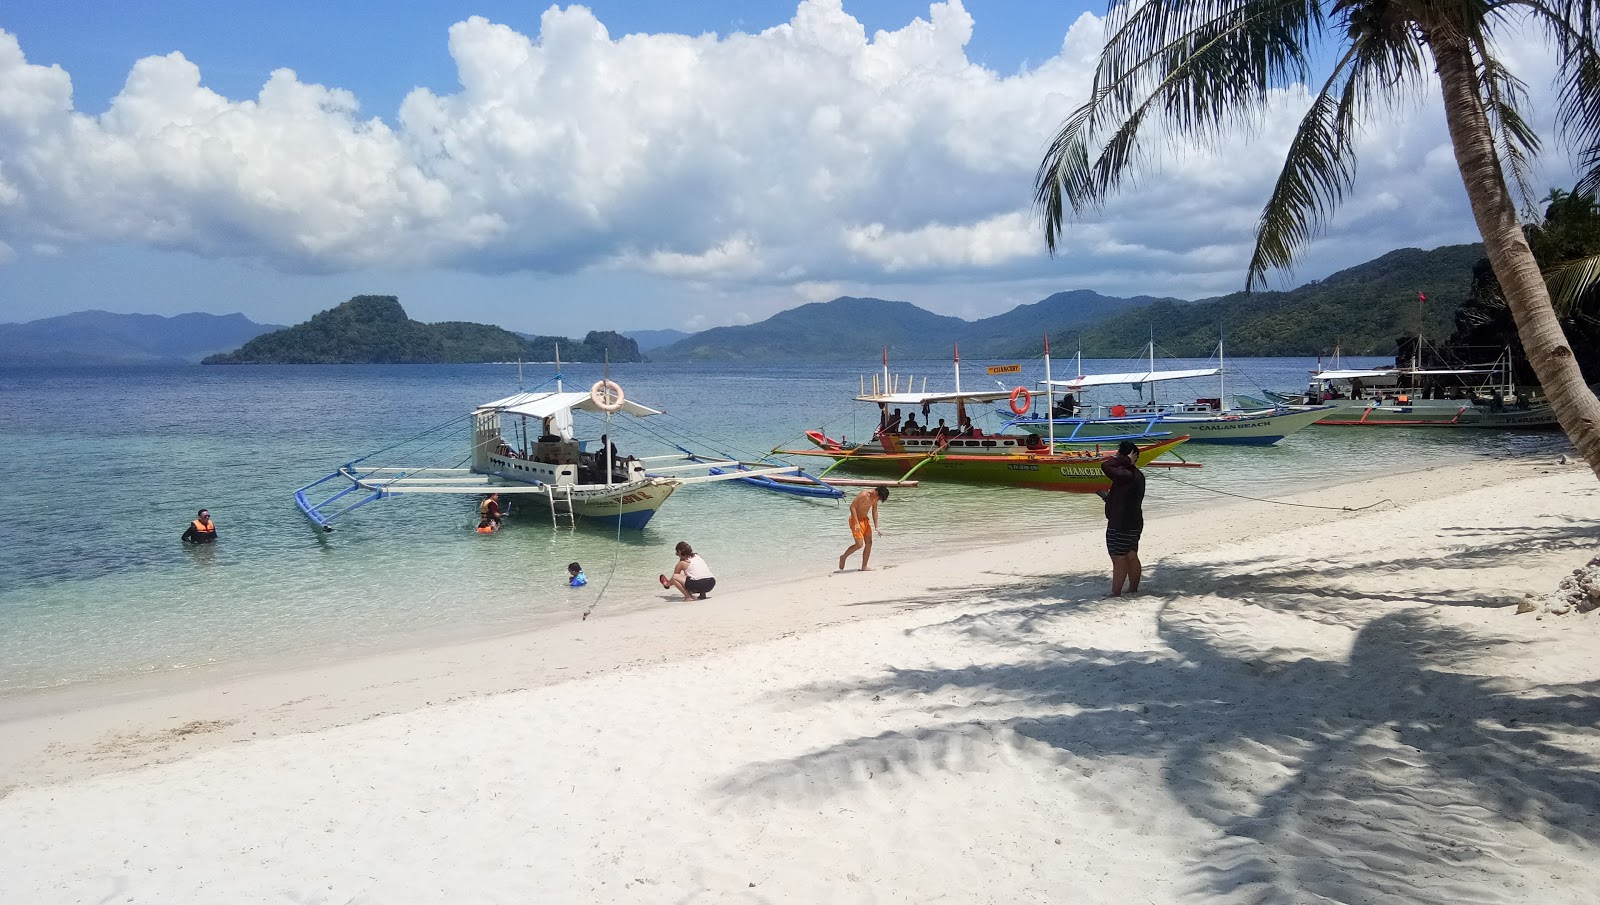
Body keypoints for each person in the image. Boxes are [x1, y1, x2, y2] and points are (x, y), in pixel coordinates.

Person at [1099, 440, 1145, 597]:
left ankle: (1115, 592)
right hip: (1134, 522)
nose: (1115, 456)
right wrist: (1107, 498)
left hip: (1121, 525)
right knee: (1131, 555)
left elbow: (1105, 466)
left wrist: (1125, 460)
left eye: (1118, 454)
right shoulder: (1137, 475)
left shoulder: (1126, 474)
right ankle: (1133, 589)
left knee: (1118, 558)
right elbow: (1125, 498)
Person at [838, 486, 888, 572]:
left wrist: (876, 526)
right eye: (879, 498)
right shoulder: (864, 494)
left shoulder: (875, 498)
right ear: (876, 493)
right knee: (859, 545)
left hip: (865, 520)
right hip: (856, 520)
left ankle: (864, 567)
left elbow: (874, 510)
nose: (878, 500)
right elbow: (852, 507)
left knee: (869, 543)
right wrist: (856, 523)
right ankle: (843, 557)